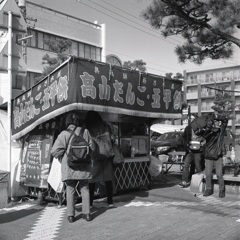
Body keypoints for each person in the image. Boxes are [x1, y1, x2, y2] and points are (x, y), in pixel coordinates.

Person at [51, 112, 93, 223]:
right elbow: (92, 147)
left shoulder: (63, 134)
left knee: (70, 189)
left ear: (67, 122)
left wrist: (64, 156)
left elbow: (54, 151)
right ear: (77, 122)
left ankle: (71, 216)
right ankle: (87, 214)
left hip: (70, 167)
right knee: (85, 188)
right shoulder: (85, 132)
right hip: (84, 166)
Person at [85, 111, 114, 208]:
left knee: (92, 181)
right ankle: (110, 202)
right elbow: (112, 139)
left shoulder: (88, 128)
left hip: (95, 157)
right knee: (108, 180)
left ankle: (90, 203)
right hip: (106, 155)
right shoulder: (106, 126)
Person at [203, 112, 228, 198]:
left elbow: (225, 121)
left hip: (218, 155)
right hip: (209, 155)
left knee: (219, 174)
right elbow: (204, 135)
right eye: (215, 122)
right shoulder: (208, 131)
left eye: (218, 122)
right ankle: (208, 189)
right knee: (208, 174)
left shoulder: (221, 130)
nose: (217, 123)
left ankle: (222, 190)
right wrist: (210, 128)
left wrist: (217, 117)